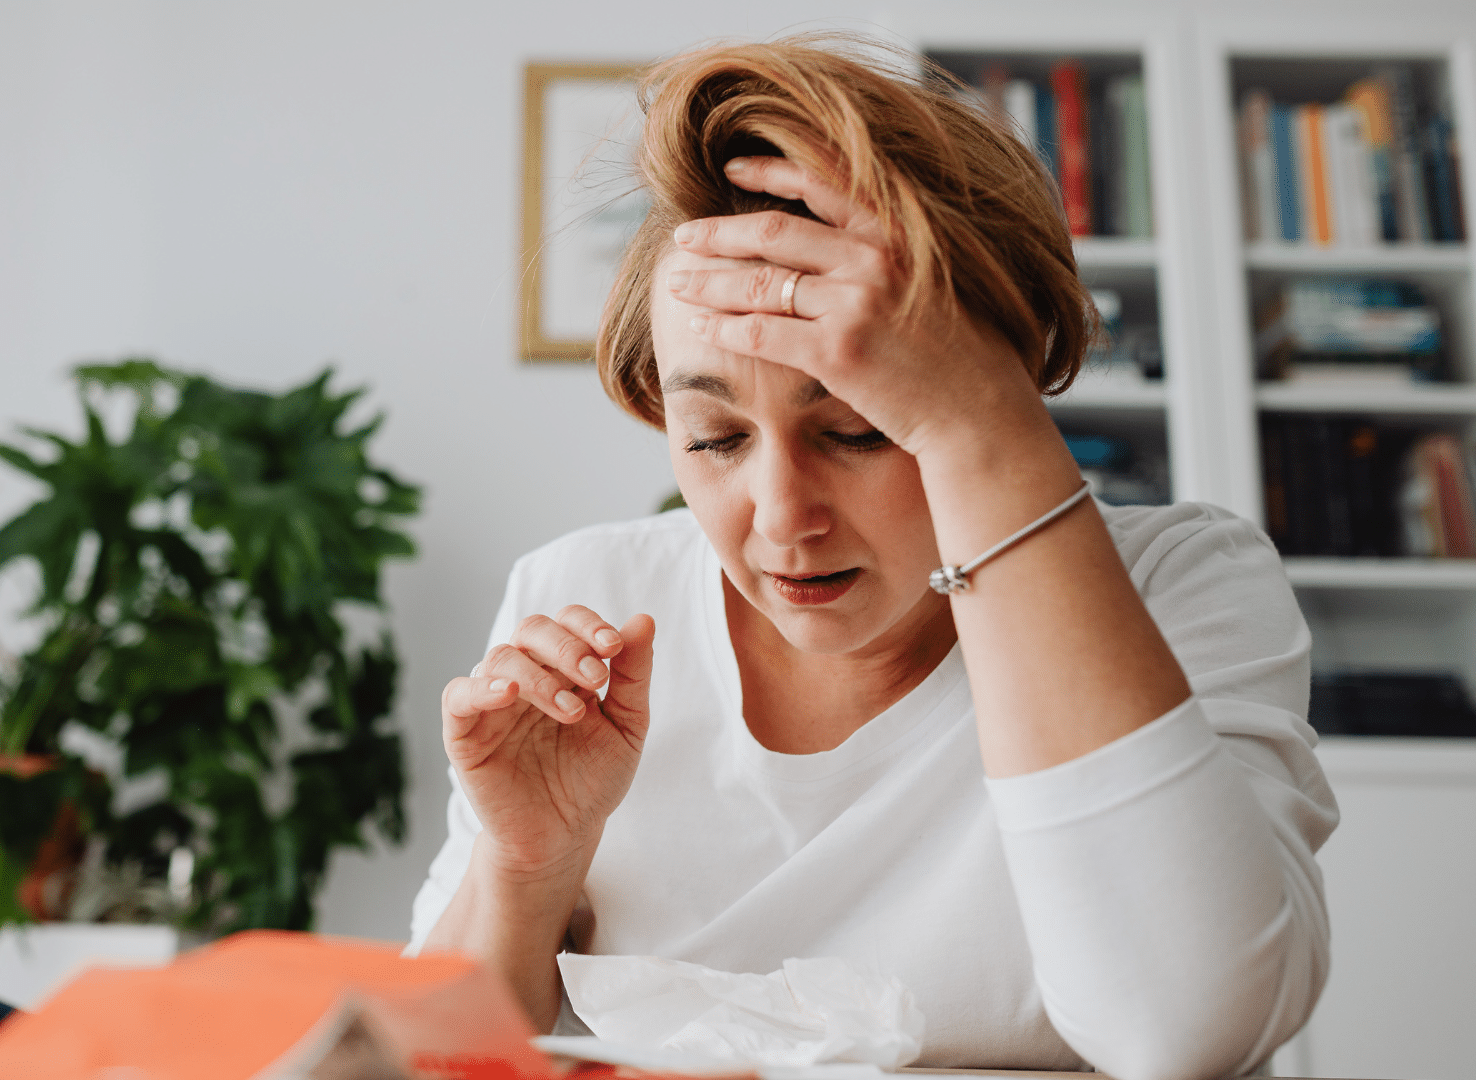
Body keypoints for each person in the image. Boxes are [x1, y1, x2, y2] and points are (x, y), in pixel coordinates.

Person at [408, 35, 1336, 1080]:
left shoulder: (1181, 585)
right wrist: (528, 868)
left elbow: (1186, 1031)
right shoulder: (588, 594)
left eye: (858, 429)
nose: (781, 518)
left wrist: (985, 423)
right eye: (714, 439)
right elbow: (439, 1056)